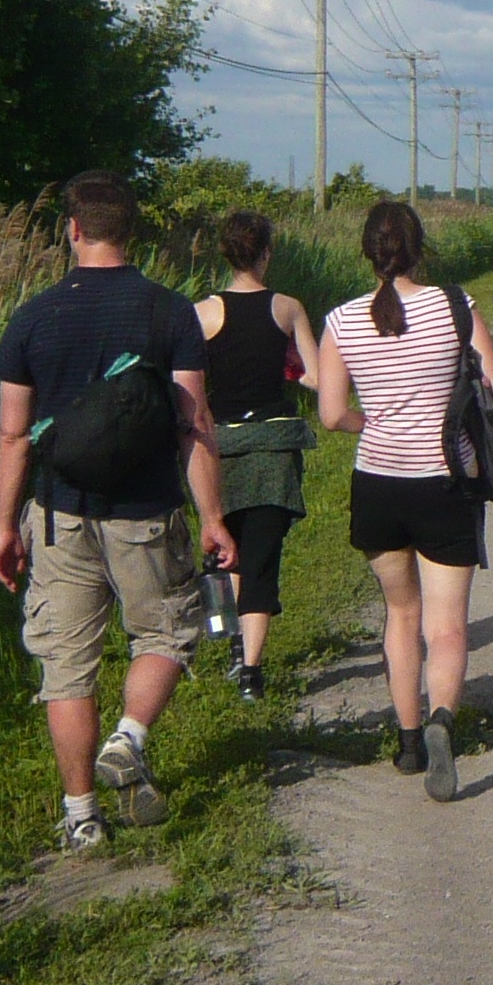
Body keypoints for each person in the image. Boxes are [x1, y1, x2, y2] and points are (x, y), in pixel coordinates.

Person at [0, 171, 236, 850]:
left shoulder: (32, 317)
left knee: (67, 664)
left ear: (72, 229)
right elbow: (193, 423)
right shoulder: (170, 312)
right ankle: (128, 738)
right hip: (146, 512)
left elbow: (13, 434)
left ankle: (82, 818)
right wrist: (213, 516)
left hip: (59, 514)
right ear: (132, 231)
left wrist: (5, 527)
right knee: (167, 631)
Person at [314, 200, 493, 803]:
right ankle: (442, 721)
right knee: (445, 625)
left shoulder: (341, 320)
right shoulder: (454, 305)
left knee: (401, 615)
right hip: (444, 481)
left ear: (368, 253)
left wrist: (374, 422)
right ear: (419, 248)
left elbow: (331, 415)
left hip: (378, 484)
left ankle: (406, 742)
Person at [195, 211, 322, 701]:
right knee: (263, 556)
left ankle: (233, 644)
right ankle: (251, 670)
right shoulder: (287, 308)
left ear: (225, 255)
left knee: (229, 549)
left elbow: (190, 390)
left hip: (221, 448)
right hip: (273, 446)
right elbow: (313, 375)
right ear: (266, 253)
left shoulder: (201, 313)